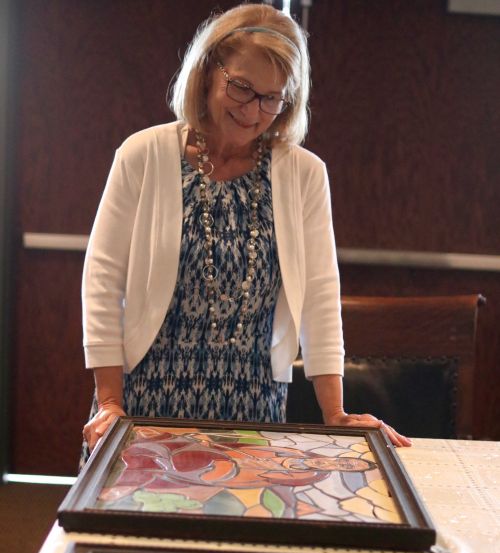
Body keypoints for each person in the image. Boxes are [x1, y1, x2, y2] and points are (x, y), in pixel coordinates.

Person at [81, 3, 411, 459]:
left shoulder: (305, 175)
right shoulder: (143, 155)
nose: (254, 111)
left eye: (272, 98)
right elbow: (102, 280)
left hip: (253, 409)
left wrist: (334, 413)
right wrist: (110, 400)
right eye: (241, 88)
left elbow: (319, 294)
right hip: (141, 402)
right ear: (208, 72)